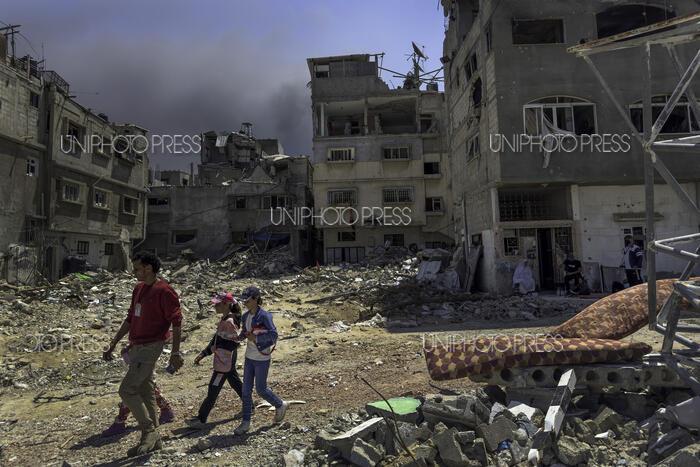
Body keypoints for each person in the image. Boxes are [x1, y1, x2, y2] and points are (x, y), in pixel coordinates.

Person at [103, 251, 184, 457]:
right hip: (137, 346)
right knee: (146, 391)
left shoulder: (164, 291)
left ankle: (148, 431)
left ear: (148, 268)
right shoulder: (139, 289)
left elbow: (176, 321)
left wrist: (175, 352)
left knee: (127, 390)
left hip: (151, 346)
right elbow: (131, 318)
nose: (134, 272)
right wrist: (114, 342)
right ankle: (153, 441)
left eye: (137, 268)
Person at [234, 286, 288, 435]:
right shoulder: (246, 316)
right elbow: (245, 332)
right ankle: (245, 423)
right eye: (244, 300)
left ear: (256, 299)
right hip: (249, 357)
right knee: (245, 391)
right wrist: (238, 337)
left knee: (261, 389)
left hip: (262, 358)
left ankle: (279, 404)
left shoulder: (265, 316)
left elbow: (273, 335)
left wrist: (256, 339)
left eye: (247, 300)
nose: (245, 303)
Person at [186, 292, 244, 428]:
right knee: (234, 381)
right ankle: (249, 405)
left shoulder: (229, 322)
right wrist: (204, 353)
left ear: (226, 304)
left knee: (213, 388)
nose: (215, 307)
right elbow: (217, 339)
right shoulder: (226, 319)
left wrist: (217, 351)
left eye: (217, 304)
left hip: (224, 360)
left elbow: (234, 342)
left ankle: (201, 419)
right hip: (225, 359)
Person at [101, 344, 175, 437]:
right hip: (144, 354)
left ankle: (120, 422)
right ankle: (166, 411)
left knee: (130, 391)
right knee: (147, 387)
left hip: (143, 356)